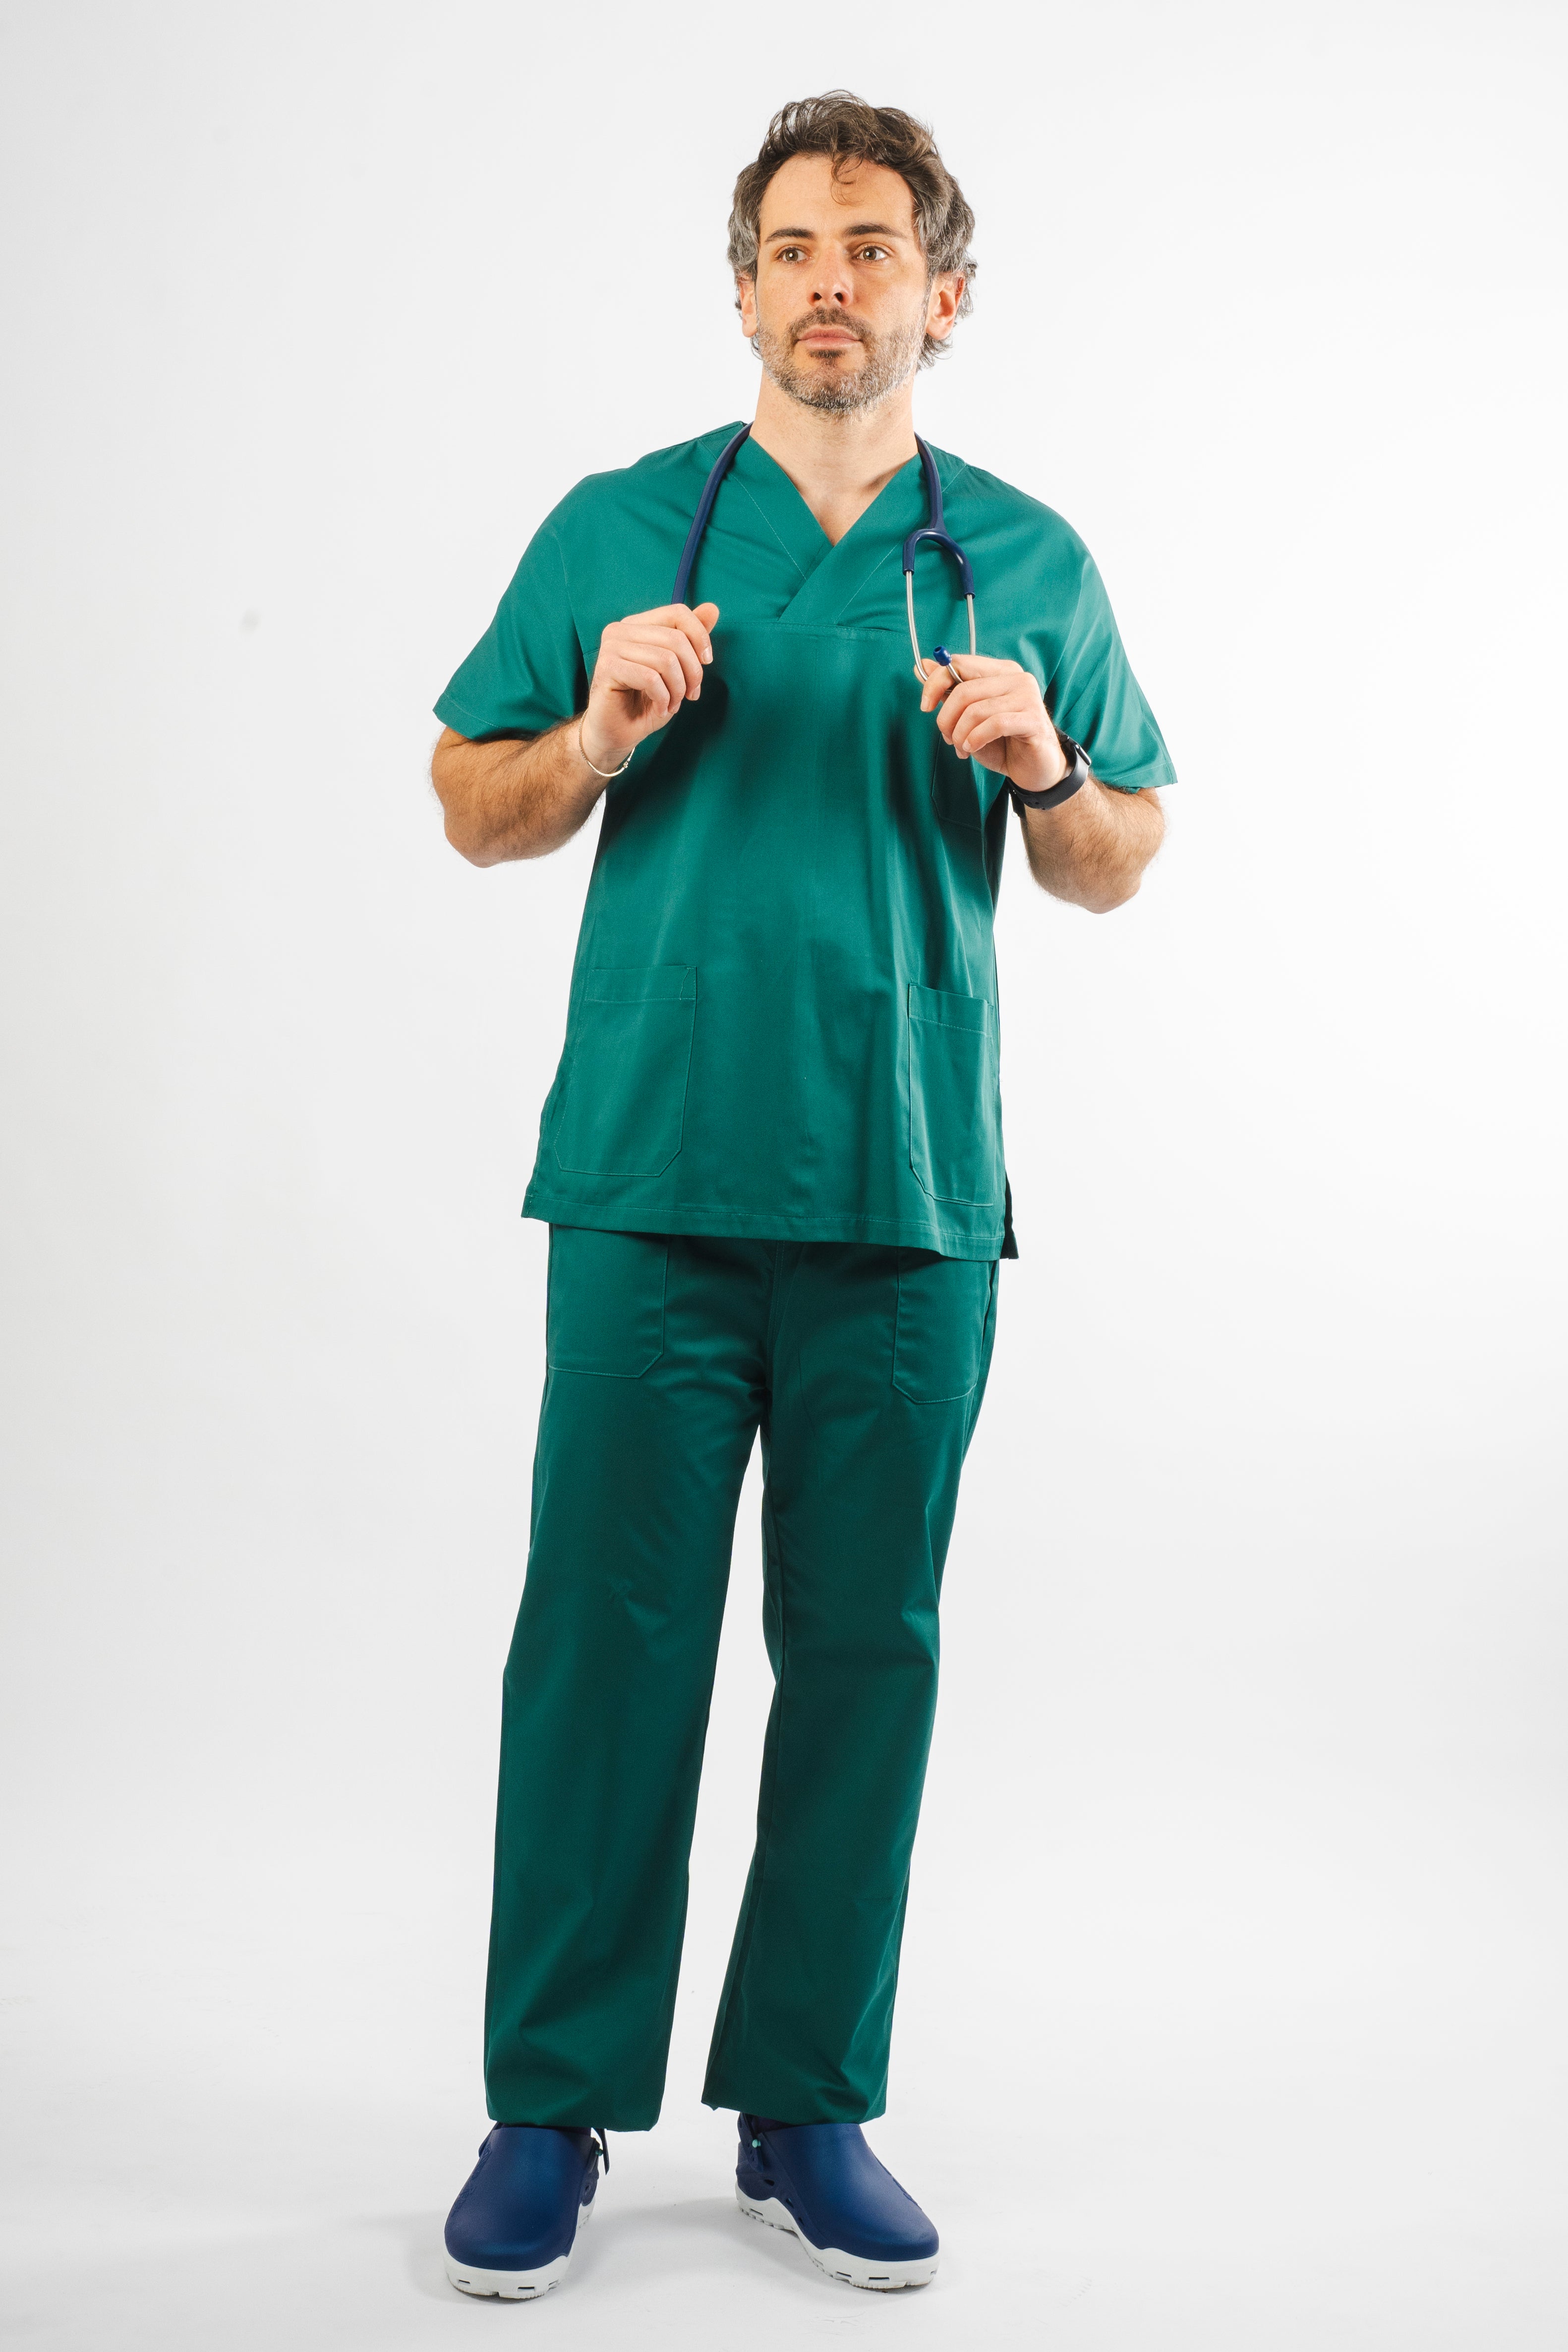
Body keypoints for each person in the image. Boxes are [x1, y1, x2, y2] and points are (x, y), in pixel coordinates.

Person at [428, 91, 1173, 2301]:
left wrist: (1044, 765)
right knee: (605, 1646)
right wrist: (593, 737)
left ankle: (806, 2103)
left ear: (946, 293)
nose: (826, 283)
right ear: (742, 289)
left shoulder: (1020, 559)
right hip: (649, 1182)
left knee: (862, 1653)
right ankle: (547, 2103)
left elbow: (1121, 850)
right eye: (788, 249)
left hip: (904, 1195)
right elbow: (468, 797)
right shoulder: (620, 530)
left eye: (869, 247)